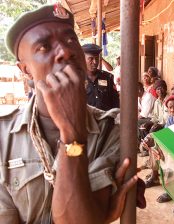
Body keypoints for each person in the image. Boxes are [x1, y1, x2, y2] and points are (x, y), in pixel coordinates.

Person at [1, 4, 145, 223]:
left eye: (71, 40)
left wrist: (72, 135)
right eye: (44, 47)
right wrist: (99, 214)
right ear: (25, 70)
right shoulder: (4, 135)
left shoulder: (111, 129)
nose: (66, 51)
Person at [144, 95, 174, 216]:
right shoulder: (170, 118)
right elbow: (166, 135)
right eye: (169, 107)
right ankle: (170, 190)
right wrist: (152, 139)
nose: (172, 109)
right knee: (155, 150)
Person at [82, 43, 120, 111]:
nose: (95, 62)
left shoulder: (108, 77)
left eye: (96, 59)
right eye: (91, 59)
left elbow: (115, 102)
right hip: (86, 120)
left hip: (106, 119)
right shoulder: (78, 79)